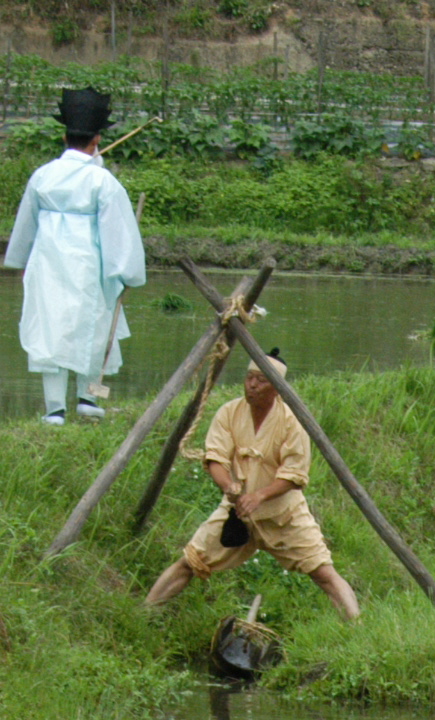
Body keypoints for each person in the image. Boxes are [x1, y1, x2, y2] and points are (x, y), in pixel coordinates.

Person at [146, 355, 360, 620]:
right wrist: (229, 487)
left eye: (261, 380)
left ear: (276, 388)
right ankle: (143, 614)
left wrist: (260, 496)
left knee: (325, 574)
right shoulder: (229, 413)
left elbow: (295, 474)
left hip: (284, 515)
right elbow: (215, 458)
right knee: (189, 563)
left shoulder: (291, 421)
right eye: (249, 378)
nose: (252, 385)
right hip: (237, 513)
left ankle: (357, 629)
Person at [3, 88, 145, 426]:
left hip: (47, 263)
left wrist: (22, 262)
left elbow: (27, 224)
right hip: (88, 266)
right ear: (96, 139)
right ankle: (87, 398)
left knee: (50, 328)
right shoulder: (103, 181)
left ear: (65, 136)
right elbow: (117, 232)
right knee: (93, 325)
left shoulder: (43, 175)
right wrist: (124, 273)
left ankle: (56, 409)